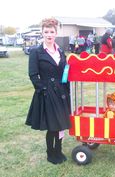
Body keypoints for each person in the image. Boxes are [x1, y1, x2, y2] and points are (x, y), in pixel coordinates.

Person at [25, 17, 71, 165]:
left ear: (56, 33)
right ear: (42, 33)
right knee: (52, 126)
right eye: (46, 32)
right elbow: (33, 74)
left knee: (62, 123)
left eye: (52, 32)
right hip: (47, 93)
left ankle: (59, 150)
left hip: (61, 92)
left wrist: (67, 87)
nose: (49, 34)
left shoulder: (60, 50)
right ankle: (50, 153)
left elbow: (65, 71)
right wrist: (43, 89)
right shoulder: (36, 52)